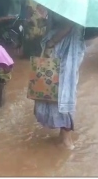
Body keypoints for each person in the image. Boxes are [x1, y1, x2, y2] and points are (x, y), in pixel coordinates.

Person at [34, 10, 86, 150]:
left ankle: (66, 140)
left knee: (63, 91)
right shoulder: (65, 2)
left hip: (65, 51)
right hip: (63, 50)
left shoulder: (72, 3)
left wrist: (51, 43)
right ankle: (63, 136)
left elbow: (69, 24)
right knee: (55, 90)